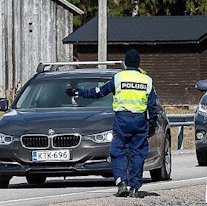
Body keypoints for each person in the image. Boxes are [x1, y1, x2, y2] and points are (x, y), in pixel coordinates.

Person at [66, 49, 160, 198]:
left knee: (118, 151)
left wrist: (80, 92)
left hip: (122, 119)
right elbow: (153, 105)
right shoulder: (146, 80)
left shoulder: (118, 78)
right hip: (140, 120)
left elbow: (99, 92)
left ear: (126, 63)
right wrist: (152, 123)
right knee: (138, 153)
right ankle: (135, 187)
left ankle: (121, 182)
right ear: (138, 63)